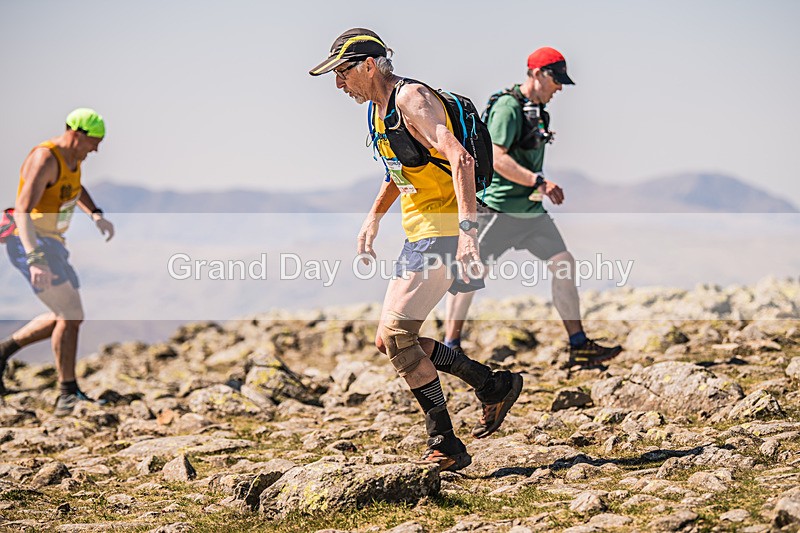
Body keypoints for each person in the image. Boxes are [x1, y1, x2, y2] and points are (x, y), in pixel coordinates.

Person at [310, 28, 523, 471]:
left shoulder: (413, 98)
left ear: (370, 65)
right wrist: (374, 216)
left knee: (398, 337)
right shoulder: (377, 110)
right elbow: (400, 167)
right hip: (420, 228)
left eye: (343, 73)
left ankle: (445, 441)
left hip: (446, 227)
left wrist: (467, 233)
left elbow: (460, 158)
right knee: (387, 340)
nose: (338, 84)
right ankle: (490, 385)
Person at [444, 48, 622, 367]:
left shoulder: (538, 111)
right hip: (497, 208)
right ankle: (450, 346)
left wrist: (535, 186)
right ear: (537, 74)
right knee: (470, 274)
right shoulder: (508, 108)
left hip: (529, 213)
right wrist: (538, 181)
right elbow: (497, 158)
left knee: (563, 263)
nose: (560, 88)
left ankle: (578, 344)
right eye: (556, 80)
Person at [0, 108, 114, 416]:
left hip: (52, 243)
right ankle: (66, 394)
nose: (97, 149)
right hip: (32, 244)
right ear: (76, 134)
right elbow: (22, 211)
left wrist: (95, 214)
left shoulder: (72, 159)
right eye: (94, 141)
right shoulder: (45, 159)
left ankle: (3, 351)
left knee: (67, 314)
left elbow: (74, 188)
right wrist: (35, 258)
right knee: (71, 314)